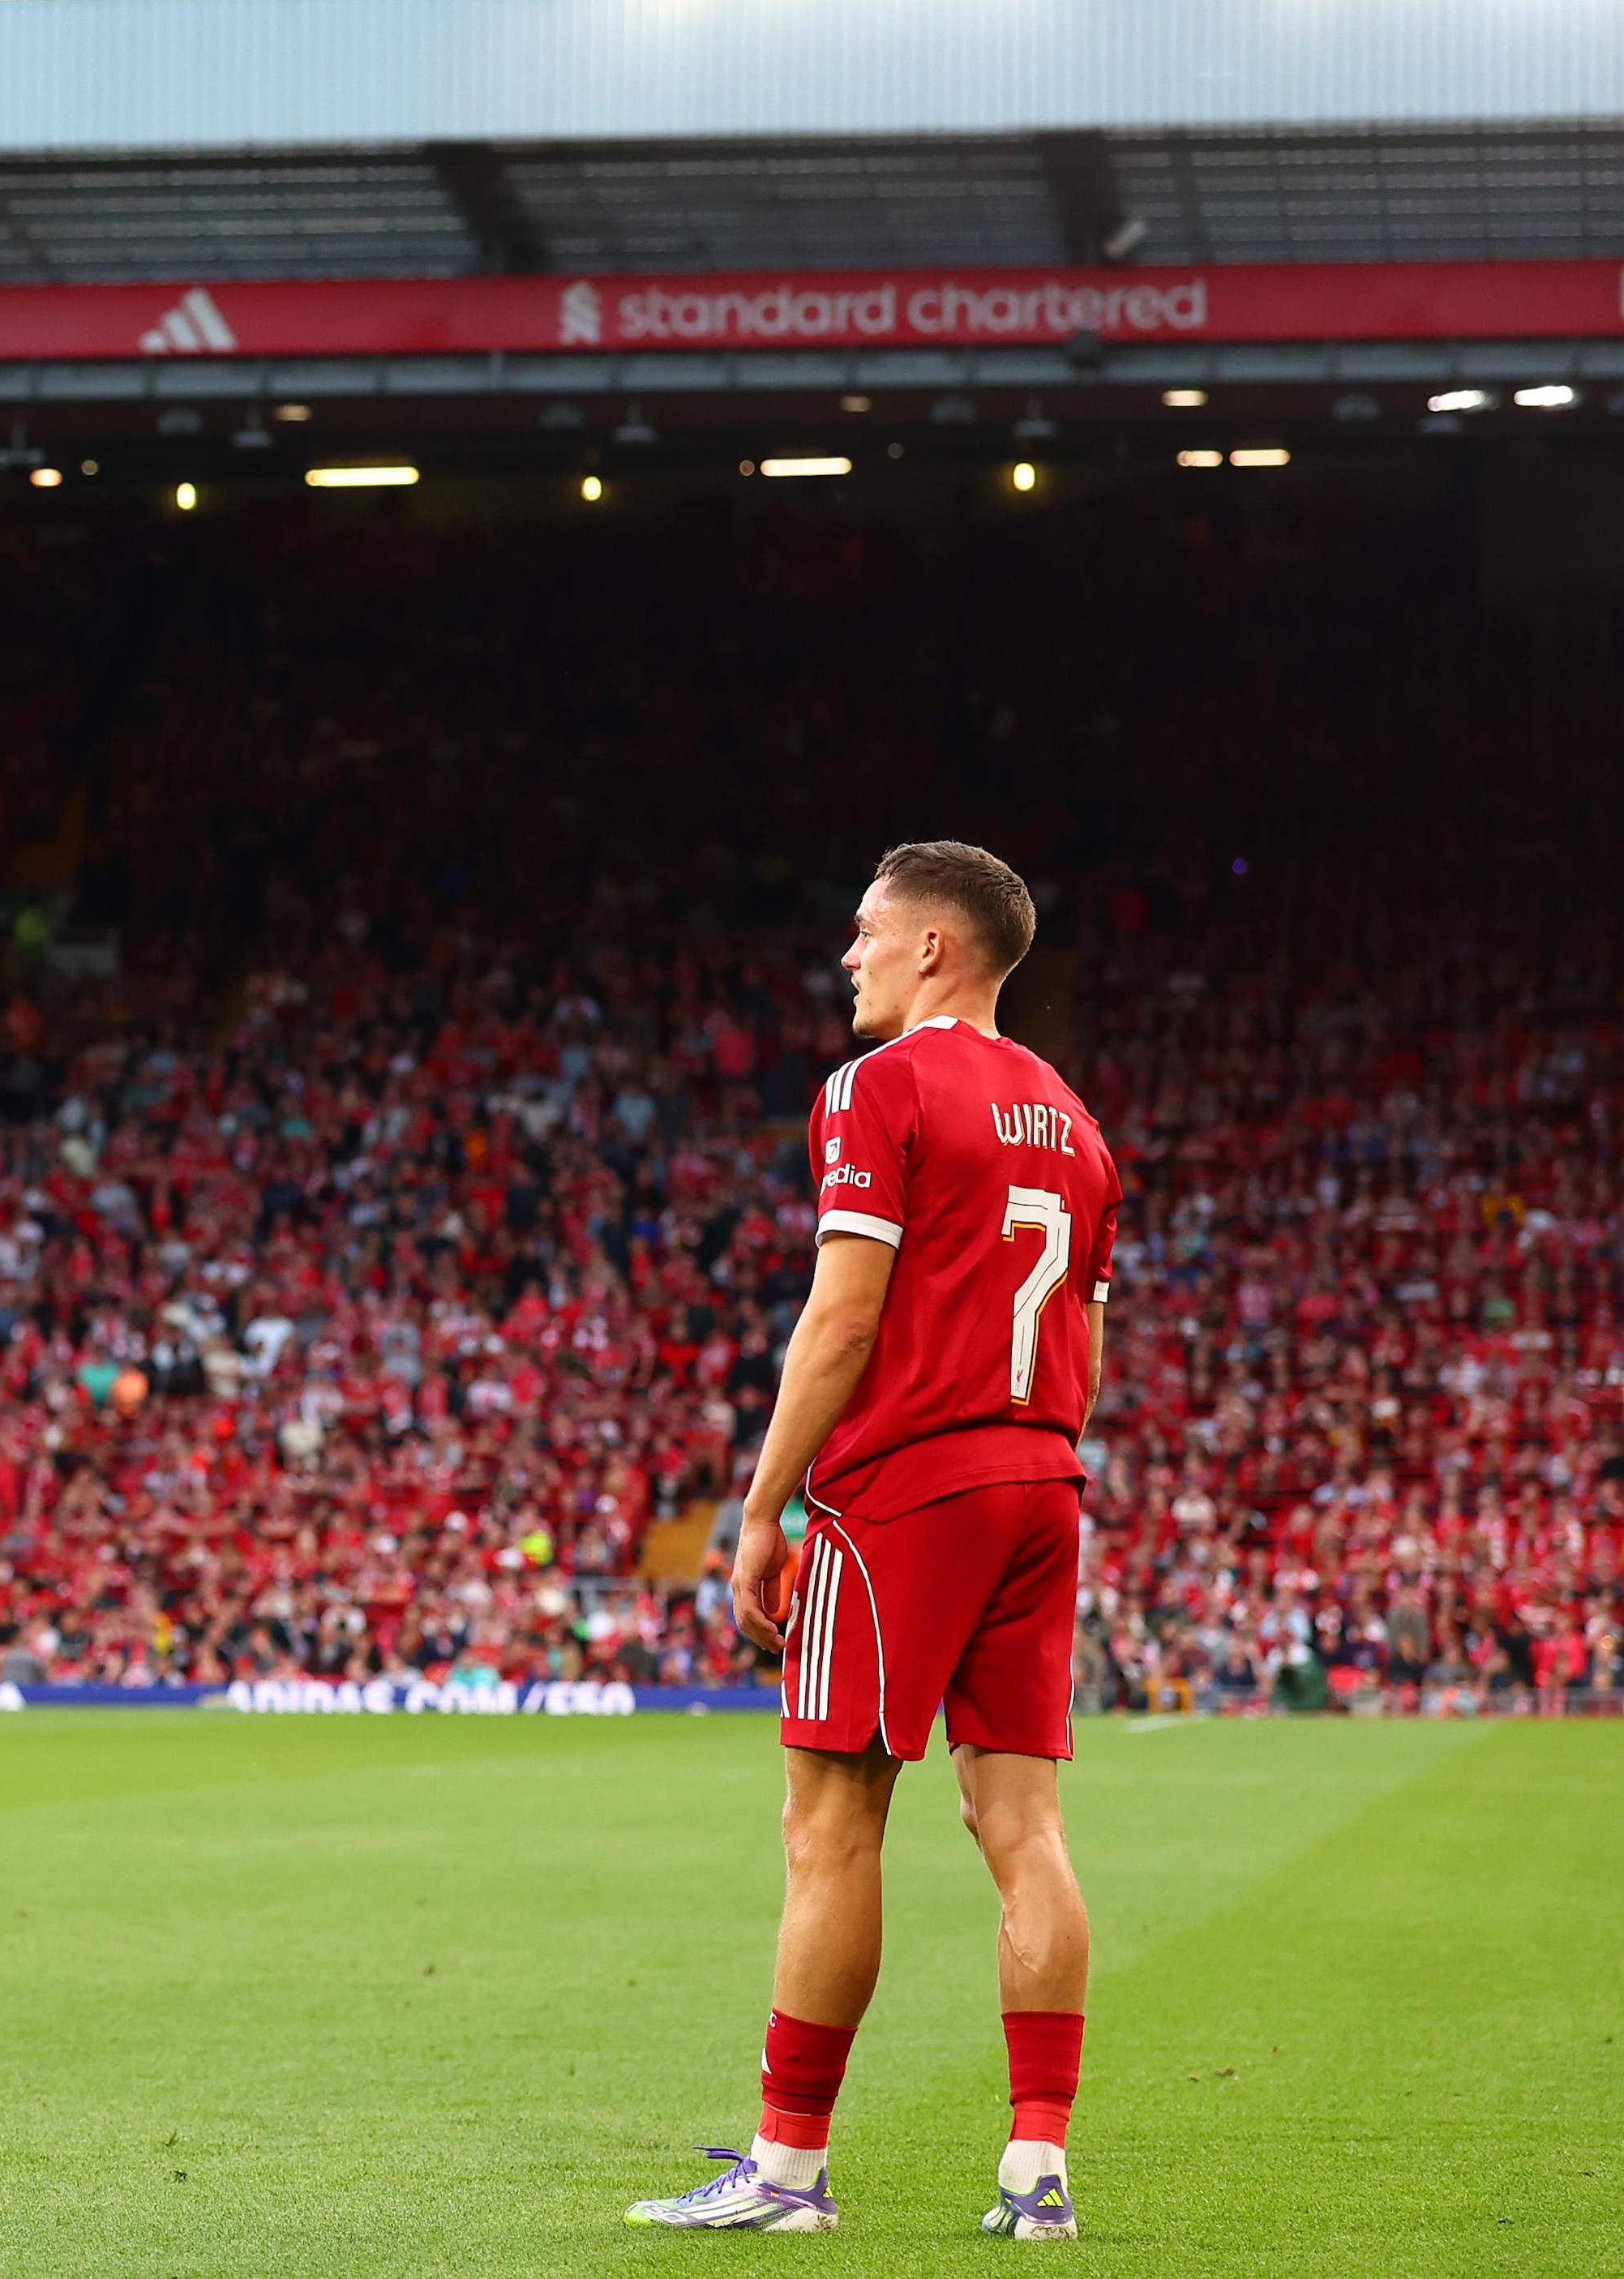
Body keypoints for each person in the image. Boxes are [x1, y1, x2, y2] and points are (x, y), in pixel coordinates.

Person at [628, 843, 1121, 2243]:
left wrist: (766, 1503)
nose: (846, 957)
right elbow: (1088, 1326)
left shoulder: (879, 1087)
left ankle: (787, 2171)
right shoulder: (1077, 1122)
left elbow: (841, 1320)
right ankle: (1038, 2170)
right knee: (1022, 1826)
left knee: (832, 1822)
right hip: (1042, 1476)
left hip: (906, 1486)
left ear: (930, 950)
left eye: (864, 933)